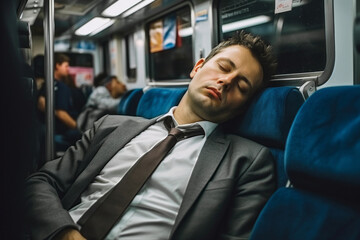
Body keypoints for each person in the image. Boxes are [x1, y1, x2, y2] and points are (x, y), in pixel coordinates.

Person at [25, 31, 277, 240]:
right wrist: (63, 232)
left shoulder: (248, 161)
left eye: (242, 86)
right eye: (223, 67)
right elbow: (41, 181)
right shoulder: (110, 127)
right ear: (197, 67)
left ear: (242, 106)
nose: (226, 81)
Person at [37, 53, 82, 152]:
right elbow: (62, 114)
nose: (68, 69)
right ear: (57, 66)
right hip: (60, 133)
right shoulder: (62, 87)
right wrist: (79, 129)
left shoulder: (46, 85)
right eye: (66, 66)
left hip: (48, 132)